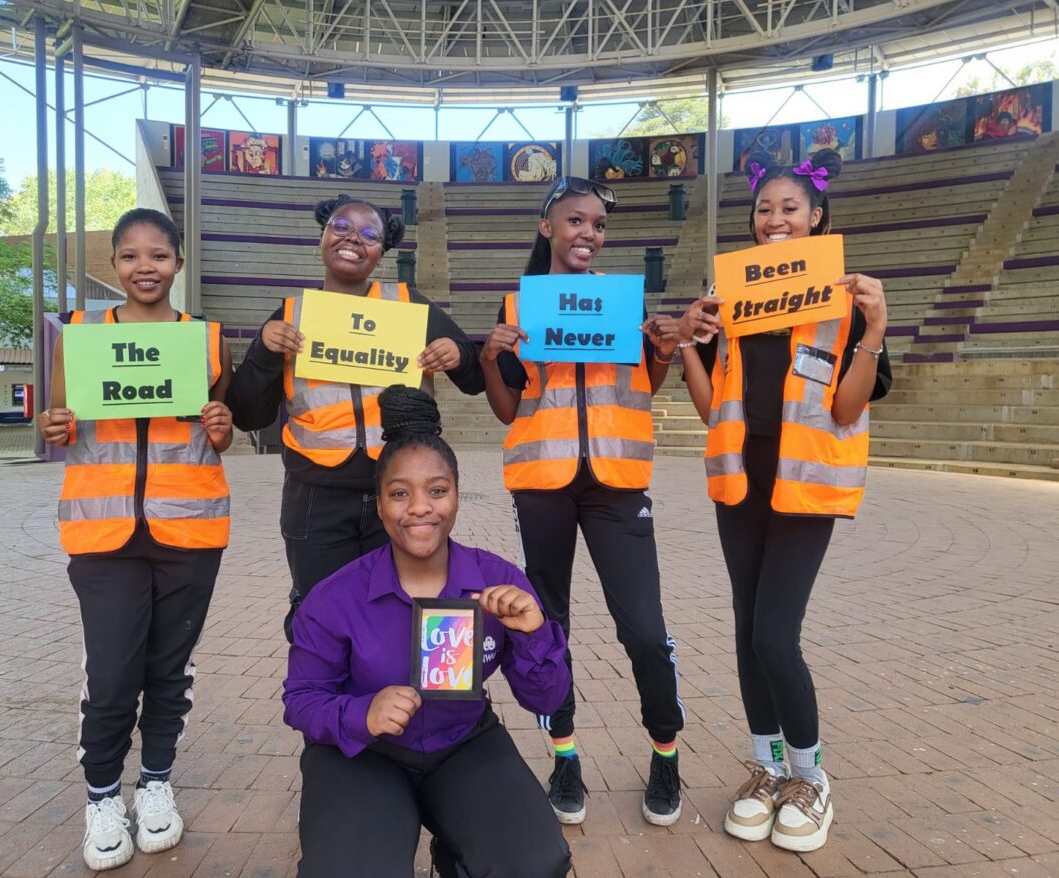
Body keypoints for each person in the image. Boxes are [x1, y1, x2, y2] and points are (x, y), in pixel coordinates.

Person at [676, 148, 892, 852]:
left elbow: (848, 406)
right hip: (741, 483)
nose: (775, 219)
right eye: (764, 208)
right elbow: (712, 409)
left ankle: (810, 776)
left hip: (805, 485)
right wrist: (687, 344)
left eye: (790, 207)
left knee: (775, 634)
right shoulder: (732, 297)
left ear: (817, 216)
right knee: (748, 631)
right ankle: (767, 769)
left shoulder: (846, 301)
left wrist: (874, 331)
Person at [282, 384, 572, 878]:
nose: (420, 507)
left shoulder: (498, 582)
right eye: (400, 494)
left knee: (536, 863)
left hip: (462, 742)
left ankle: (455, 855)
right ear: (379, 505)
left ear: (456, 496)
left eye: (437, 490)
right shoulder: (334, 597)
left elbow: (546, 699)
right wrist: (361, 713)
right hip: (362, 752)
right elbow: (301, 700)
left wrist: (534, 633)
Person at [479, 176, 687, 827]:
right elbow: (508, 407)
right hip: (542, 483)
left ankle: (665, 751)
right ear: (548, 227)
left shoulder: (623, 302)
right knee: (550, 627)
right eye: (576, 221)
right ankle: (564, 754)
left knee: (644, 630)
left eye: (598, 225)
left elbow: (645, 383)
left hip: (617, 484)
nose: (588, 234)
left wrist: (662, 350)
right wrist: (488, 359)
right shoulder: (518, 305)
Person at [38, 208, 234, 871]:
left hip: (191, 530)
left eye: (157, 254)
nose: (144, 267)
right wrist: (54, 426)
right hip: (103, 532)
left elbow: (219, 432)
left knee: (169, 669)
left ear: (178, 261)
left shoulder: (207, 340)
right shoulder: (81, 335)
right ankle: (101, 796)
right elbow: (58, 423)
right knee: (113, 670)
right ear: (114, 264)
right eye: (129, 255)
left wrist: (221, 426)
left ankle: (155, 783)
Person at [226, 194, 483, 641]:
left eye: (369, 234)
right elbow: (248, 414)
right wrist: (264, 351)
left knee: (404, 615)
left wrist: (458, 354)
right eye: (341, 227)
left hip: (399, 492)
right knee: (320, 616)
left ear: (382, 251)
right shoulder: (292, 315)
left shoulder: (408, 306)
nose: (352, 239)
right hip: (316, 496)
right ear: (322, 237)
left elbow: (476, 378)